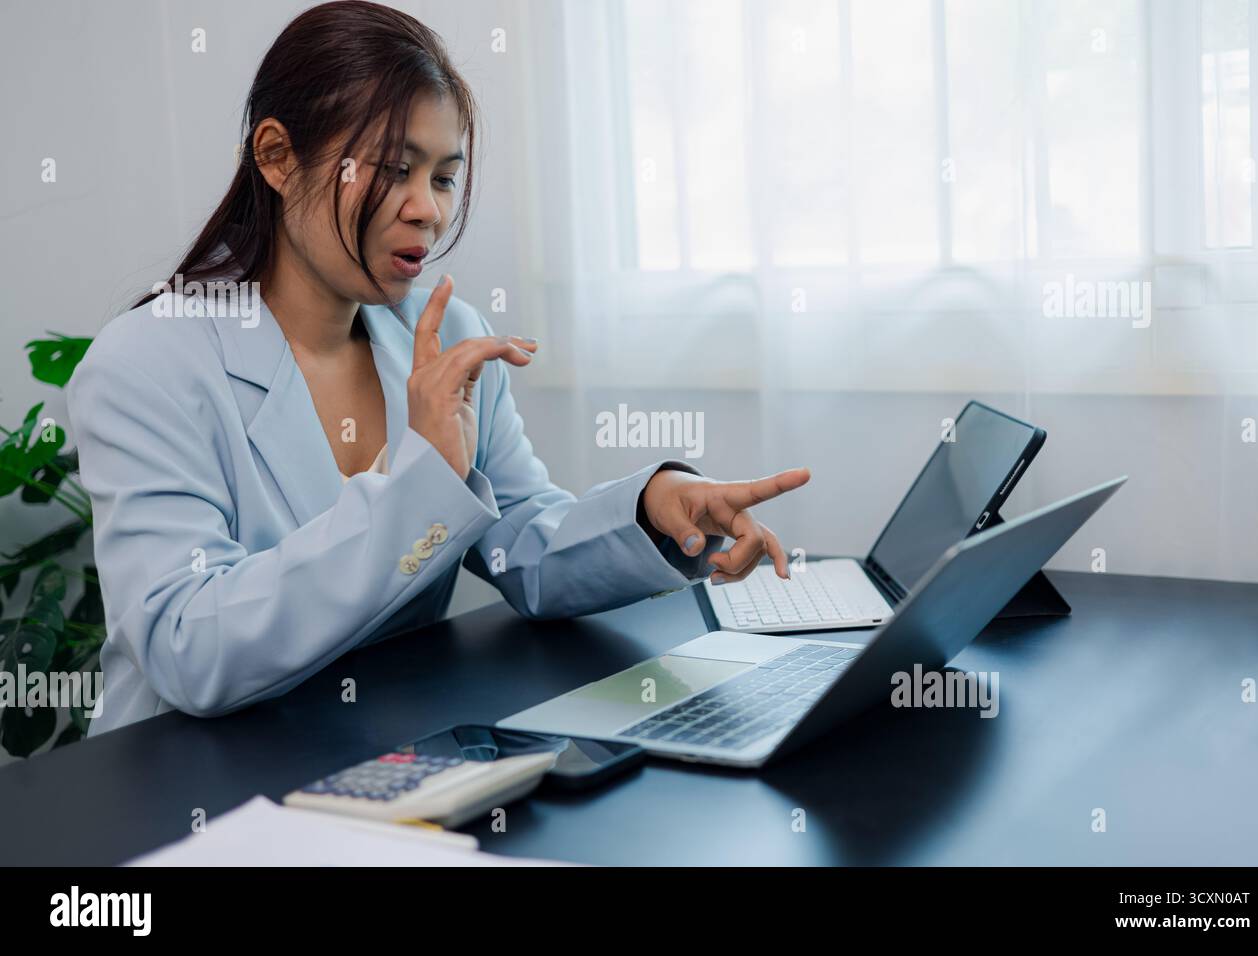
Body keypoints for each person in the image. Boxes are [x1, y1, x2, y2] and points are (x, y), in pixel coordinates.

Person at [67, 0, 810, 735]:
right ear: (277, 157)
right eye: (393, 170)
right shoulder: (146, 365)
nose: (428, 210)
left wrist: (652, 510)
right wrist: (422, 487)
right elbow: (187, 646)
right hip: (188, 789)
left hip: (380, 751)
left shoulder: (449, 333)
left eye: (445, 177)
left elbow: (522, 541)